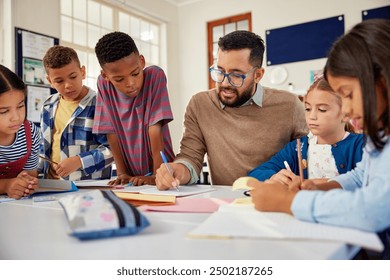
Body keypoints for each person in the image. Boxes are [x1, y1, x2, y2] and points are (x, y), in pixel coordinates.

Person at [249, 19, 390, 258]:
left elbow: (373, 209)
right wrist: (323, 187)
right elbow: (361, 175)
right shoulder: (379, 137)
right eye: (308, 108)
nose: (346, 111)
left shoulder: (361, 140)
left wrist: (288, 203)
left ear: (383, 79)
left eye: (348, 95)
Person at [156, 30, 307, 190]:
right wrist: (177, 170)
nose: (225, 83)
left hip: (275, 199)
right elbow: (190, 157)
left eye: (236, 75)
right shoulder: (200, 104)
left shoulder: (290, 105)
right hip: (226, 204)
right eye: (219, 71)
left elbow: (308, 158)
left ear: (258, 75)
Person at [93, 32, 174, 186]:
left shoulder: (155, 76)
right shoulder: (104, 85)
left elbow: (154, 129)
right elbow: (111, 132)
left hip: (163, 170)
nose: (131, 83)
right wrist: (122, 173)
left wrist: (157, 175)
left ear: (142, 61)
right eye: (119, 79)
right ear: (106, 76)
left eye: (135, 73)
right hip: (132, 177)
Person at [248, 77, 364, 184]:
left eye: (322, 110)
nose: (312, 116)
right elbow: (255, 174)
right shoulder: (297, 147)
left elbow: (368, 182)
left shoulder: (362, 145)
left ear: (346, 113)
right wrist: (272, 176)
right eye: (308, 109)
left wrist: (315, 183)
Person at [40, 45, 113, 181]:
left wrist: (79, 161)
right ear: (50, 81)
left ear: (83, 72)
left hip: (87, 188)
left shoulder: (100, 104)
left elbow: (113, 151)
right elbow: (42, 148)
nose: (68, 85)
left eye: (73, 77)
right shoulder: (48, 105)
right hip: (50, 184)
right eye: (59, 81)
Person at [0, 64, 40, 199]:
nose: (16, 117)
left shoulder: (30, 132)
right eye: (4, 111)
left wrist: (26, 182)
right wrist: (6, 185)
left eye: (20, 106)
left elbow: (31, 174)